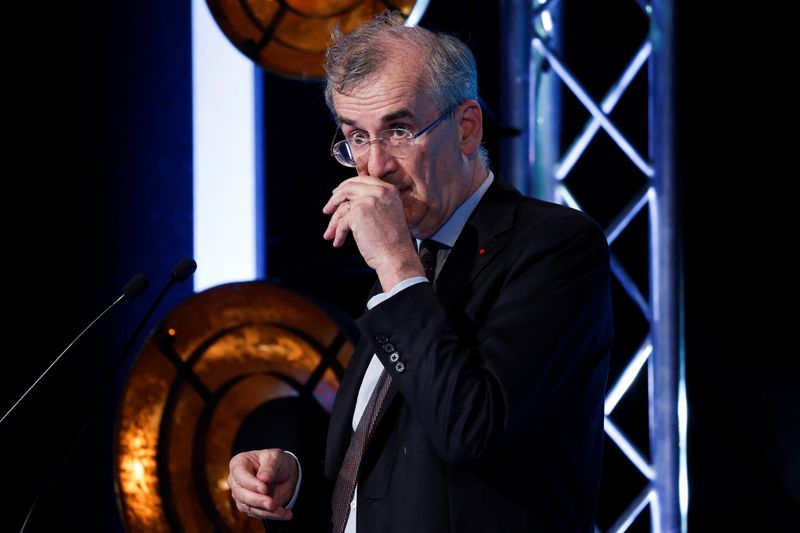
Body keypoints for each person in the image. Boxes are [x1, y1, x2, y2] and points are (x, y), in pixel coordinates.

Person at [228, 11, 613, 533]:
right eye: (357, 138)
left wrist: (396, 266)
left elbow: (469, 429)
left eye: (400, 130)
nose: (376, 166)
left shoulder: (554, 246)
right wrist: (294, 477)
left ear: (466, 128)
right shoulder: (411, 262)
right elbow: (389, 465)